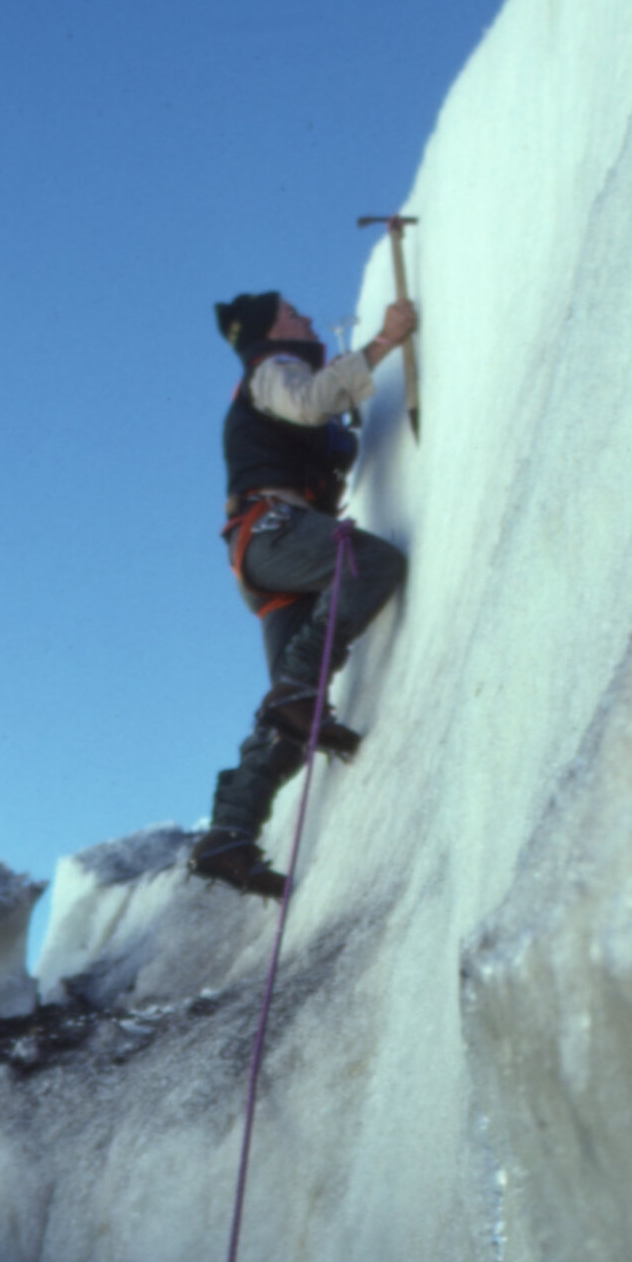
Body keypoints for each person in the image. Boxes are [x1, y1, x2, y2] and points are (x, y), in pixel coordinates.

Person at [190, 287, 418, 898]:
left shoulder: (267, 380)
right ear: (270, 333)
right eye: (294, 314)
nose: (309, 318)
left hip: (262, 556)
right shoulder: (271, 369)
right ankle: (298, 691)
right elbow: (312, 401)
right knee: (370, 562)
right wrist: (385, 342)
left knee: (291, 720)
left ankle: (230, 835)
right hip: (276, 531)